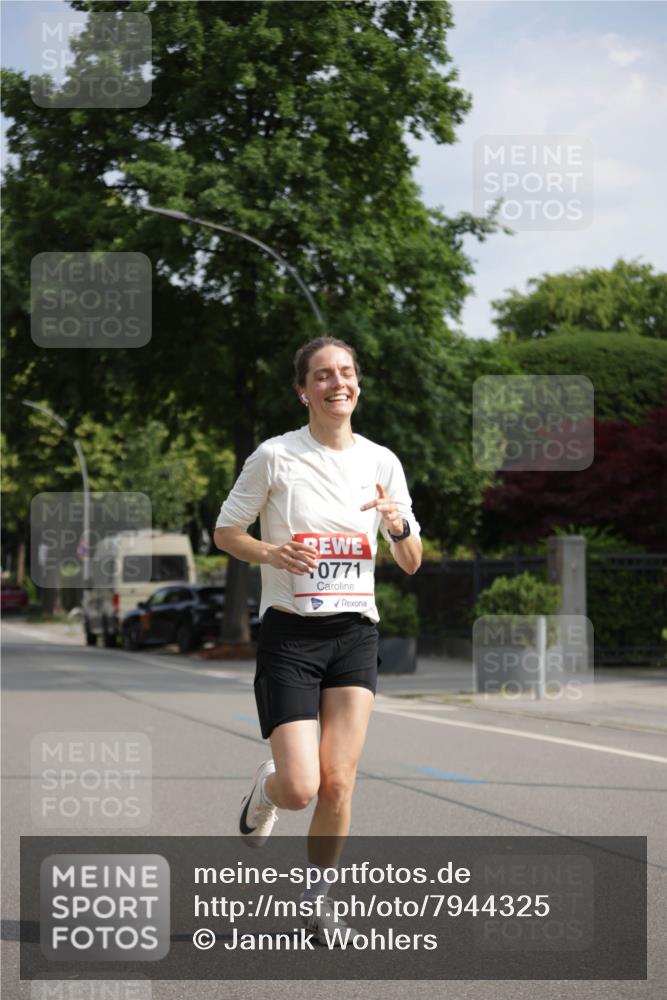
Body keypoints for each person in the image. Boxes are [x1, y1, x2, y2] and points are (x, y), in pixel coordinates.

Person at [213, 335, 422, 942]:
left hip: (355, 631)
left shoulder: (382, 461)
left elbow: (410, 560)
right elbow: (228, 531)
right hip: (291, 636)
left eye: (348, 373)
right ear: (303, 389)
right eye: (324, 375)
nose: (339, 384)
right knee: (301, 786)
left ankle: (319, 897)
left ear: (358, 384)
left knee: (339, 781)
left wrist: (398, 524)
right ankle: (266, 789)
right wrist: (271, 551)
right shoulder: (275, 456)